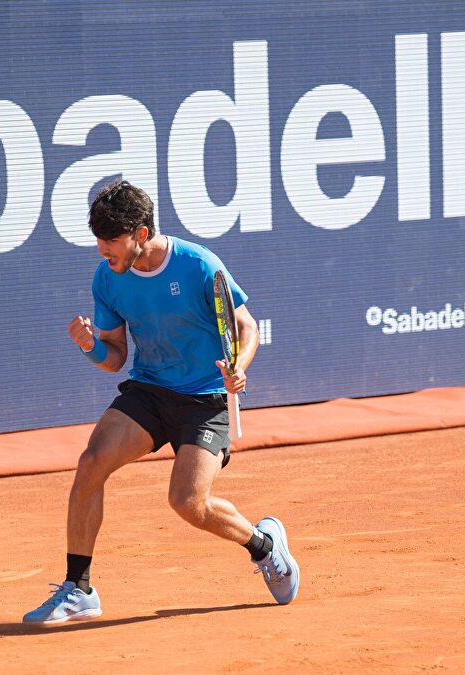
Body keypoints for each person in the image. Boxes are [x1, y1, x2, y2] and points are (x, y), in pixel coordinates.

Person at [23, 180, 300, 625]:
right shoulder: (108, 278)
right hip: (151, 390)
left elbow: (246, 328)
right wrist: (89, 346)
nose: (101, 250)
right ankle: (79, 588)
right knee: (92, 462)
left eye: (111, 240)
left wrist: (239, 368)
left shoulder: (197, 265)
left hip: (206, 398)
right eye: (98, 239)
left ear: (140, 233)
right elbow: (114, 359)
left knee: (188, 503)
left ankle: (264, 546)